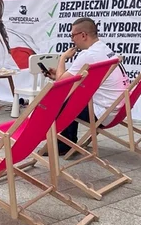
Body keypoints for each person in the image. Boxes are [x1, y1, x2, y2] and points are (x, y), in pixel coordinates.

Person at [53, 17, 128, 155]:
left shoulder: (88, 55)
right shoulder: (103, 49)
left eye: (72, 35)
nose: (72, 40)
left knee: (59, 98)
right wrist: (63, 76)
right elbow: (79, 80)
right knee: (73, 93)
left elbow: (60, 82)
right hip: (119, 109)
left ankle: (64, 144)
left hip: (104, 114)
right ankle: (66, 141)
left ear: (83, 35)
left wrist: (62, 58)